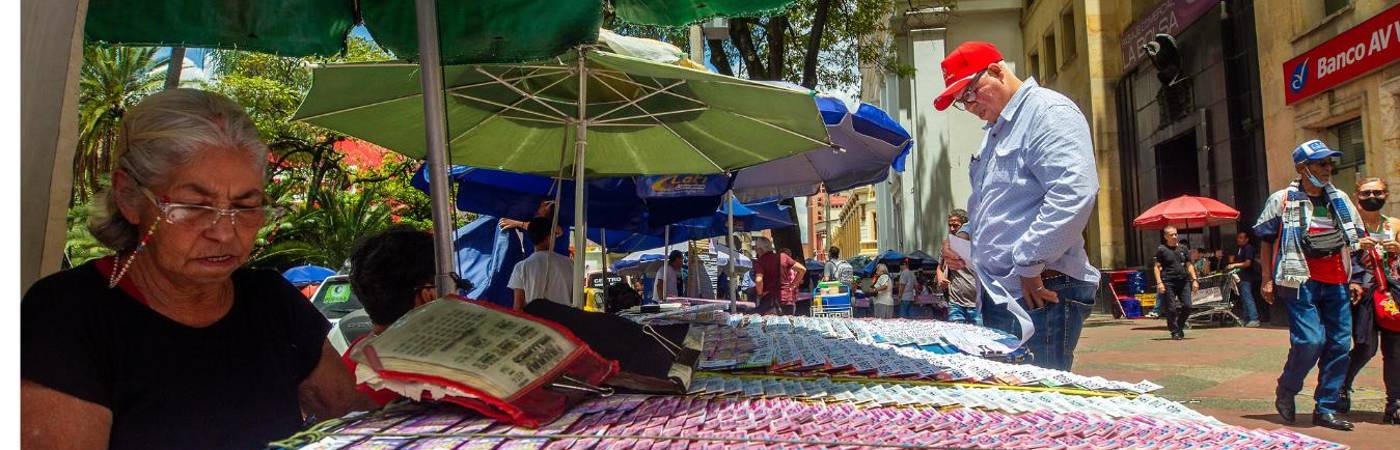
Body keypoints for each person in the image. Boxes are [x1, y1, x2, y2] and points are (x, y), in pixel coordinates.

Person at [21, 89, 374, 450]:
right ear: (129, 197)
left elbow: (350, 413)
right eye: (192, 207)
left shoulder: (269, 301)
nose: (224, 233)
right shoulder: (68, 314)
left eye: (245, 205)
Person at [934, 41, 1100, 371]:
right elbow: (995, 202)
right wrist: (964, 239)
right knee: (1016, 401)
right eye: (960, 101)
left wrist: (1029, 262)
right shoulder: (998, 129)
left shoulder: (1047, 113)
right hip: (1010, 290)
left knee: (1039, 401)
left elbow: (1073, 192)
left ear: (996, 71)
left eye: (970, 93)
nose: (968, 106)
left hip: (1040, 287)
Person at [1255, 139, 1368, 431]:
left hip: (1336, 282)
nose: (1328, 168)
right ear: (1302, 168)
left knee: (1340, 344)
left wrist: (1355, 278)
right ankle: (1287, 388)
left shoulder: (1340, 199)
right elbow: (1266, 242)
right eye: (1321, 163)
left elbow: (1354, 242)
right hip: (1299, 281)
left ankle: (1326, 408)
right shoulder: (1281, 199)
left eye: (1330, 163)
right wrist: (1266, 279)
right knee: (1310, 341)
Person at [344, 226, 472, 406]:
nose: (457, 293)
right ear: (428, 295)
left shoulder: (347, 363)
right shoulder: (441, 379)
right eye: (456, 284)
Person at [1339, 177, 1400, 424]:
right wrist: (1355, 244)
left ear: (1386, 195)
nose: (1372, 197)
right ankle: (1342, 384)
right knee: (1366, 347)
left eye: (1377, 192)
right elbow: (1337, 254)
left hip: (1392, 292)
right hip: (1362, 293)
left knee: (1395, 350)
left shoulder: (1394, 224)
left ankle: (1394, 402)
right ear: (1357, 197)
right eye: (1366, 193)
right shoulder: (1350, 226)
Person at [508, 217, 576, 310]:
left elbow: (518, 307)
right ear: (549, 237)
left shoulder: (521, 267)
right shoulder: (570, 264)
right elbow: (577, 300)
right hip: (563, 323)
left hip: (536, 323)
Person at [1153, 226, 1198, 340]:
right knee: (1171, 308)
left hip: (1183, 281)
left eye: (1176, 234)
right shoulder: (1162, 249)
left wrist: (1194, 280)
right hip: (1168, 282)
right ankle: (1174, 331)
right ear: (1165, 237)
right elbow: (1157, 267)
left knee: (1188, 306)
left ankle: (1179, 326)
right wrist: (1159, 283)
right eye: (1171, 235)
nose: (1174, 237)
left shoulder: (1183, 248)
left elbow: (1189, 265)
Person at [938, 209, 981, 324]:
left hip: (976, 303)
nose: (952, 229)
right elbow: (939, 267)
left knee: (979, 338)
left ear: (964, 226)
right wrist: (940, 278)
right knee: (956, 337)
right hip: (955, 302)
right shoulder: (947, 245)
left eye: (955, 226)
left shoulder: (976, 243)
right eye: (950, 225)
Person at [753, 237, 804, 315]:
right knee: (788, 325)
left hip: (770, 301)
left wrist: (760, 293)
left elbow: (759, 280)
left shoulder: (760, 262)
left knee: (770, 326)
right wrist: (793, 284)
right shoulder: (783, 257)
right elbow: (802, 269)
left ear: (760, 250)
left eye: (756, 249)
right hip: (787, 300)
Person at [1226, 230, 1263, 327]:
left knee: (1247, 297)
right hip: (1240, 277)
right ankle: (1246, 318)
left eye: (1241, 238)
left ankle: (1254, 318)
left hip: (1246, 277)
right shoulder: (1239, 249)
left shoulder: (1248, 248)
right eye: (1238, 237)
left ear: (1247, 239)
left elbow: (1247, 263)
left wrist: (1234, 265)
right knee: (1243, 298)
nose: (1239, 240)